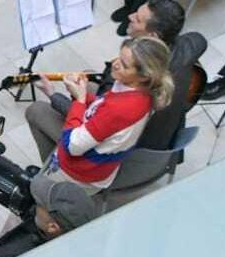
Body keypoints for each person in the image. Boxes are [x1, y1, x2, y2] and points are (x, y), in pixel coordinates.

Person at [26, 0, 201, 152]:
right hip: (160, 133)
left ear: (153, 36)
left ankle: (54, 167)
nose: (130, 16)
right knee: (89, 79)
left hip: (129, 152)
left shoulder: (127, 89)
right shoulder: (182, 49)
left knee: (36, 111)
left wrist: (55, 94)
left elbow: (92, 122)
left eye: (137, 19)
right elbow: (199, 39)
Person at [27, 37, 174, 192]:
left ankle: (45, 181)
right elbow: (102, 105)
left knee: (37, 194)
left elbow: (72, 145)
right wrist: (77, 93)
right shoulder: (140, 91)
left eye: (124, 65)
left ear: (144, 76)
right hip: (99, 163)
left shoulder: (121, 109)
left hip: (81, 173)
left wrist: (80, 99)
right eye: (119, 57)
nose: (115, 64)